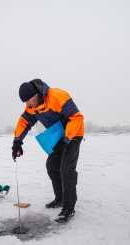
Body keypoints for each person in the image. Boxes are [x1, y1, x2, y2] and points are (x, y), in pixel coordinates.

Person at [12, 79, 84, 223]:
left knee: (66, 169)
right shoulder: (32, 107)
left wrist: (67, 139)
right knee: (52, 166)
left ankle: (69, 208)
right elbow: (24, 122)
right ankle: (60, 199)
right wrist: (17, 142)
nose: (27, 105)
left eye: (28, 101)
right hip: (59, 136)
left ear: (35, 95)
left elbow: (77, 118)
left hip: (74, 134)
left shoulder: (57, 97)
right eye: (25, 102)